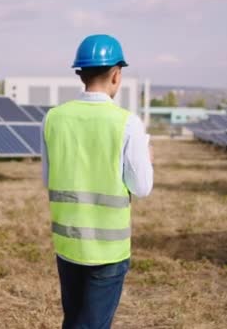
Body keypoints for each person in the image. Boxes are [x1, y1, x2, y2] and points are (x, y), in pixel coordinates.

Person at [41, 34, 154, 329]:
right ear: (116, 75)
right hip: (107, 251)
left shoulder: (53, 118)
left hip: (68, 245)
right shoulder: (127, 123)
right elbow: (142, 188)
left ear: (80, 73)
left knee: (75, 320)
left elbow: (47, 179)